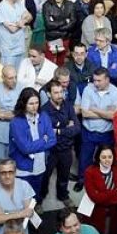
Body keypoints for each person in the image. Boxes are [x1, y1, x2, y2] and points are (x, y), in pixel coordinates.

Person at [76, 67, 117, 191]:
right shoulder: (88, 89)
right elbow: (84, 113)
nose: (95, 83)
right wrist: (105, 113)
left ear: (107, 80)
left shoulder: (116, 93)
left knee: (106, 158)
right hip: (88, 131)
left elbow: (114, 116)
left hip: (107, 133)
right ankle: (82, 180)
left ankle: (102, 181)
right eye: (94, 80)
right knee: (84, 158)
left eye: (99, 81)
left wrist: (94, 109)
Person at [41, 79, 79, 207]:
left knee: (64, 175)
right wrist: (67, 127)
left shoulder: (68, 106)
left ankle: (63, 195)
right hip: (50, 150)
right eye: (56, 93)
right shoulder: (44, 111)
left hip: (66, 149)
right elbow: (45, 133)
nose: (59, 95)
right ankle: (39, 199)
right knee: (45, 176)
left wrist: (57, 130)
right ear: (48, 94)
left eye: (61, 92)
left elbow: (76, 128)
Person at [82, 145, 117, 234]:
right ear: (98, 157)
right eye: (103, 157)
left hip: (114, 213)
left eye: (109, 157)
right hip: (96, 214)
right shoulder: (90, 172)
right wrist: (114, 192)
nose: (107, 160)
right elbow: (95, 197)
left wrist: (104, 196)